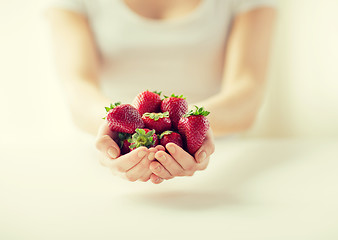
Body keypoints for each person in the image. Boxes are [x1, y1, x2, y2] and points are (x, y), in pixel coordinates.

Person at [46, 0, 277, 184]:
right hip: (110, 157)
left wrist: (196, 125)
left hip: (218, 162)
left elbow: (248, 91)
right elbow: (78, 87)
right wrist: (111, 128)